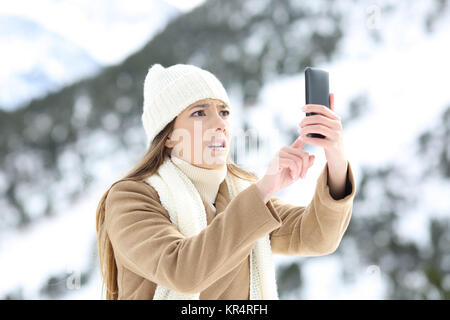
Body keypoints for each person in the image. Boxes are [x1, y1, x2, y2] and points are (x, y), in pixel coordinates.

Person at [95, 63, 356, 300]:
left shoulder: (238, 192)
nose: (220, 123)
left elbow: (317, 236)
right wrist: (263, 190)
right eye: (199, 113)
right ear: (169, 136)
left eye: (224, 112)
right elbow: (182, 271)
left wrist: (335, 156)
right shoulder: (130, 198)